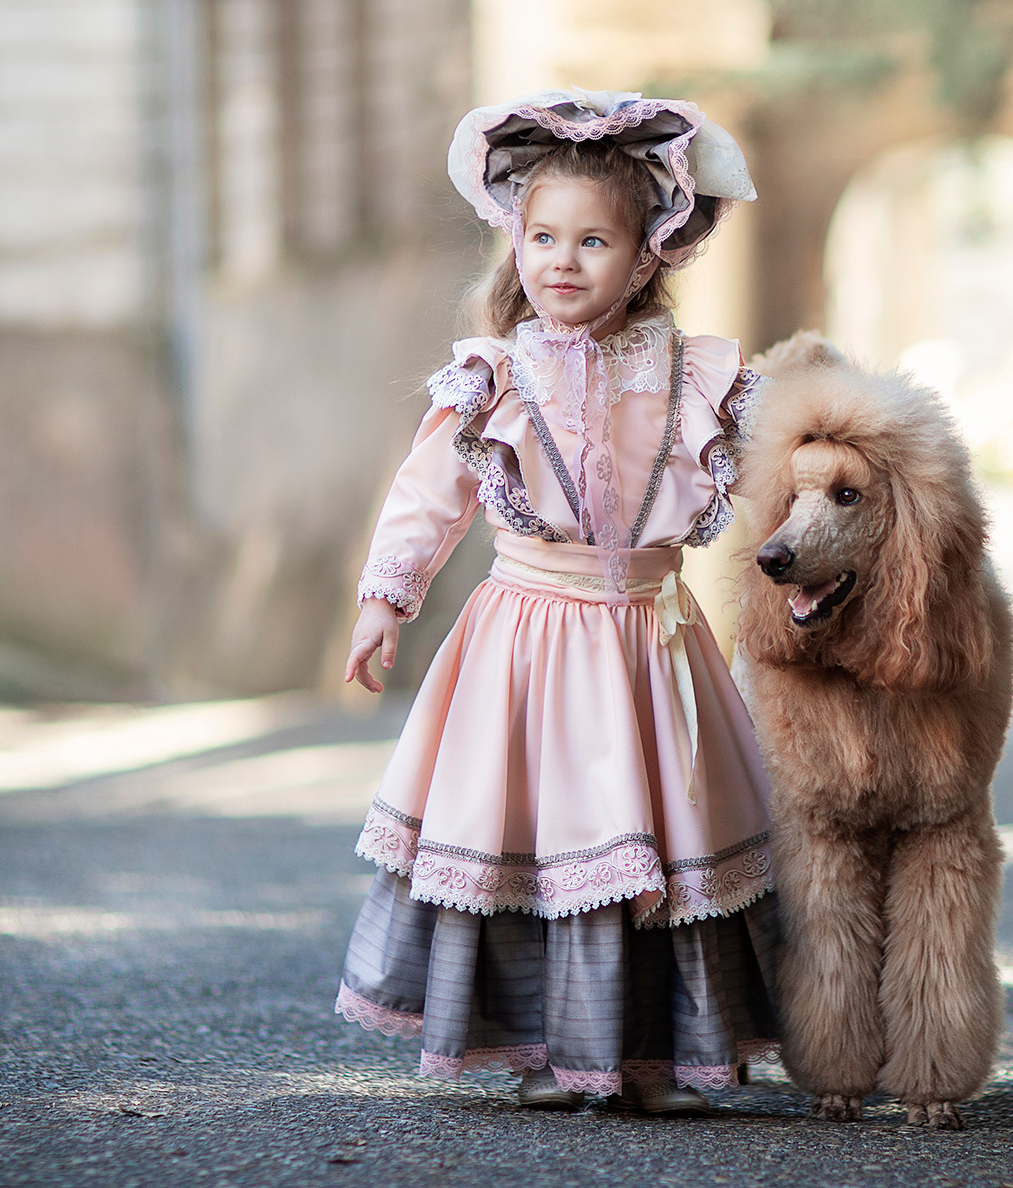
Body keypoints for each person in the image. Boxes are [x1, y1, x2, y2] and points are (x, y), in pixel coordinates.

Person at [334, 90, 782, 1115]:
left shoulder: (696, 373)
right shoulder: (490, 375)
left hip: (648, 638)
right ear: (513, 244)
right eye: (542, 236)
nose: (562, 260)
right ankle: (549, 1046)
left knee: (662, 828)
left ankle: (659, 1054)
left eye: (592, 239)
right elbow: (426, 496)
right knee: (539, 835)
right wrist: (384, 600)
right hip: (525, 640)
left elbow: (772, 476)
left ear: (647, 254)